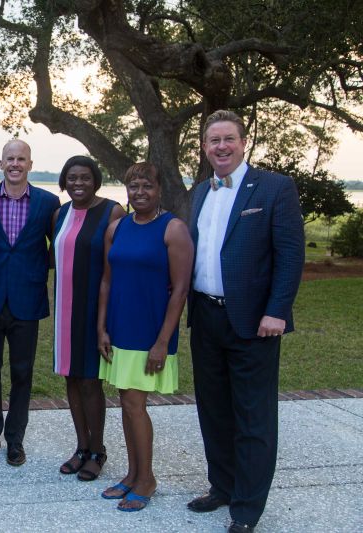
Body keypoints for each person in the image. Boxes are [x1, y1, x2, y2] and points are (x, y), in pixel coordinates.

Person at [187, 110, 305, 532]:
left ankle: (247, 509)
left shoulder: (274, 188)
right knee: (213, 410)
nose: (221, 146)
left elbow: (291, 256)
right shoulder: (200, 192)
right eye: (213, 140)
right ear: (204, 146)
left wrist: (277, 310)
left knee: (253, 416)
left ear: (243, 142)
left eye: (228, 139)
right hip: (204, 317)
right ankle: (223, 486)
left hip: (255, 322)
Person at [97, 162, 193, 511]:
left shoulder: (173, 229)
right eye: (133, 187)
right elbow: (106, 281)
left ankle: (147, 479)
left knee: (135, 406)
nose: (140, 193)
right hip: (119, 328)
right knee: (126, 403)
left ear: (159, 190)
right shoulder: (117, 228)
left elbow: (180, 290)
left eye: (146, 187)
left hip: (149, 331)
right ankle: (132, 474)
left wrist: (163, 342)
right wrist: (101, 328)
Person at [0, 139, 60, 466]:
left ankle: (15, 440)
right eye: (10, 158)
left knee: (22, 373)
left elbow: (58, 245)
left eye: (21, 158)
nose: (15, 164)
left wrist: (39, 267)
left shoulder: (48, 202)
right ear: (1, 163)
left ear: (30, 164)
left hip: (27, 298)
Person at [51, 156, 124, 481]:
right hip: (65, 309)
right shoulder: (60, 214)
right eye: (72, 178)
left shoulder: (112, 212)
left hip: (96, 308)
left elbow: (118, 266)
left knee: (91, 381)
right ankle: (81, 447)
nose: (78, 183)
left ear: (95, 179)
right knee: (70, 377)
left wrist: (105, 322)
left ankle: (98, 450)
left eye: (84, 178)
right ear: (64, 182)